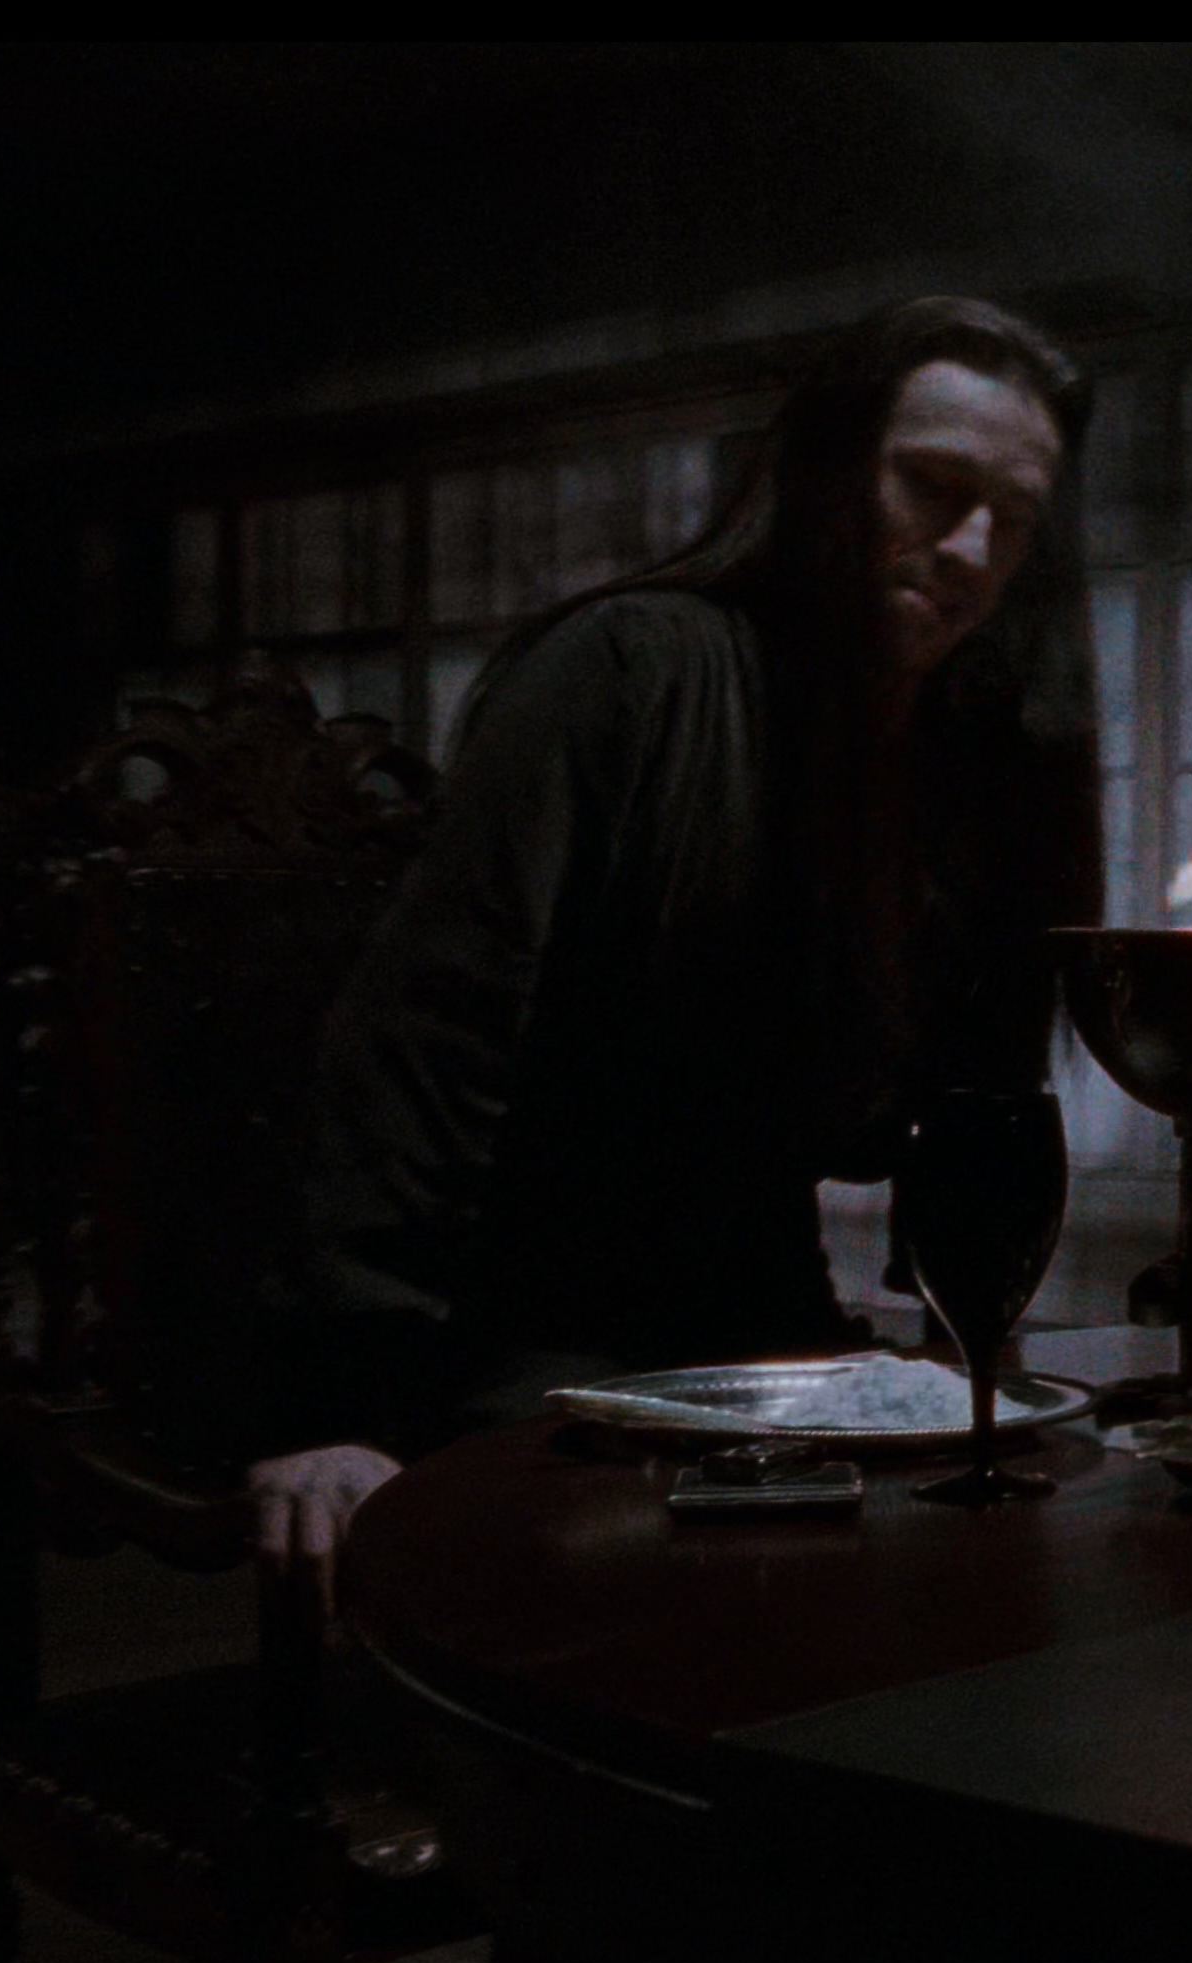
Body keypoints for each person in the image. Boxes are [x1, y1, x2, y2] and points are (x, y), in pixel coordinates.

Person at [249, 296, 1101, 1592]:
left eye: (1017, 520)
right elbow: (427, 1033)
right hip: (519, 1342)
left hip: (766, 1343)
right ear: (827, 471)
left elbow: (940, 1114)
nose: (973, 549)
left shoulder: (941, 761)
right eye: (934, 486)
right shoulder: (631, 670)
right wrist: (334, 1400)